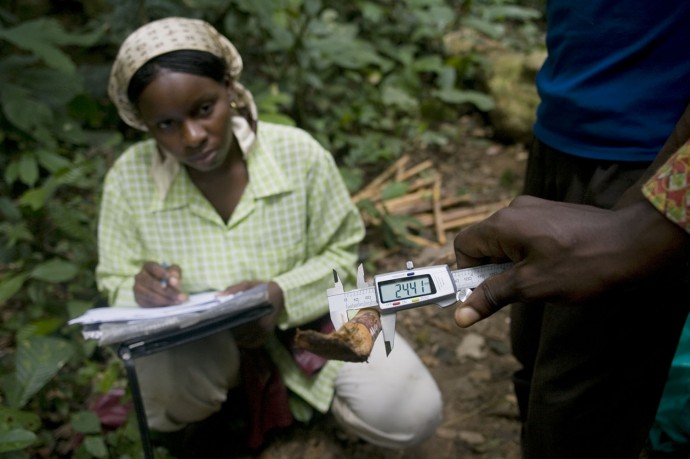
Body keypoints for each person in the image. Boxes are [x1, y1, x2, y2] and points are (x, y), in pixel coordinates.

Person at [98, 17, 442, 458]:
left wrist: (281, 295)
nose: (192, 136)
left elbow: (342, 251)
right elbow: (113, 276)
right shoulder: (129, 179)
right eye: (165, 124)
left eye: (204, 109)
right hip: (200, 353)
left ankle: (291, 393)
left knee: (411, 409)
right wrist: (137, 287)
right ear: (143, 124)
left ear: (229, 88)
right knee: (166, 383)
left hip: (309, 325)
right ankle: (205, 419)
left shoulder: (297, 155)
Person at [451, 3, 690, 458]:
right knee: (533, 351)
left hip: (651, 160)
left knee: (580, 405)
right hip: (559, 128)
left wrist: (646, 222)